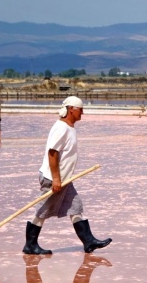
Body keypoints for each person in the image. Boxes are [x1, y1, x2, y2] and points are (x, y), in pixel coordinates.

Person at [22, 96, 112, 255]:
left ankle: (88, 241)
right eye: (80, 109)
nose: (82, 113)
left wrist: (61, 179)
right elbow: (52, 153)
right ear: (71, 109)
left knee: (76, 207)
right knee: (43, 211)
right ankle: (30, 245)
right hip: (53, 178)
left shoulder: (69, 127)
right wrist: (56, 179)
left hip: (64, 179)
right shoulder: (61, 127)